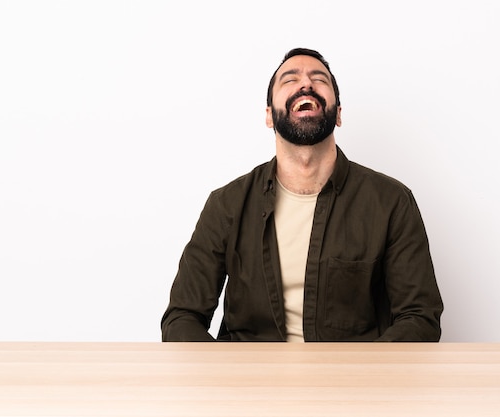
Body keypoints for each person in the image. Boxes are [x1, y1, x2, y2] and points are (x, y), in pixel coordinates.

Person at [161, 48, 443, 342]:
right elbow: (182, 317)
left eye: (319, 79)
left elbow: (420, 318)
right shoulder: (226, 205)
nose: (306, 84)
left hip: (353, 382)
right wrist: (227, 379)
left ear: (339, 114)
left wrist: (361, 378)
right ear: (269, 116)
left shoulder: (391, 202)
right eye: (290, 80)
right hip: (249, 383)